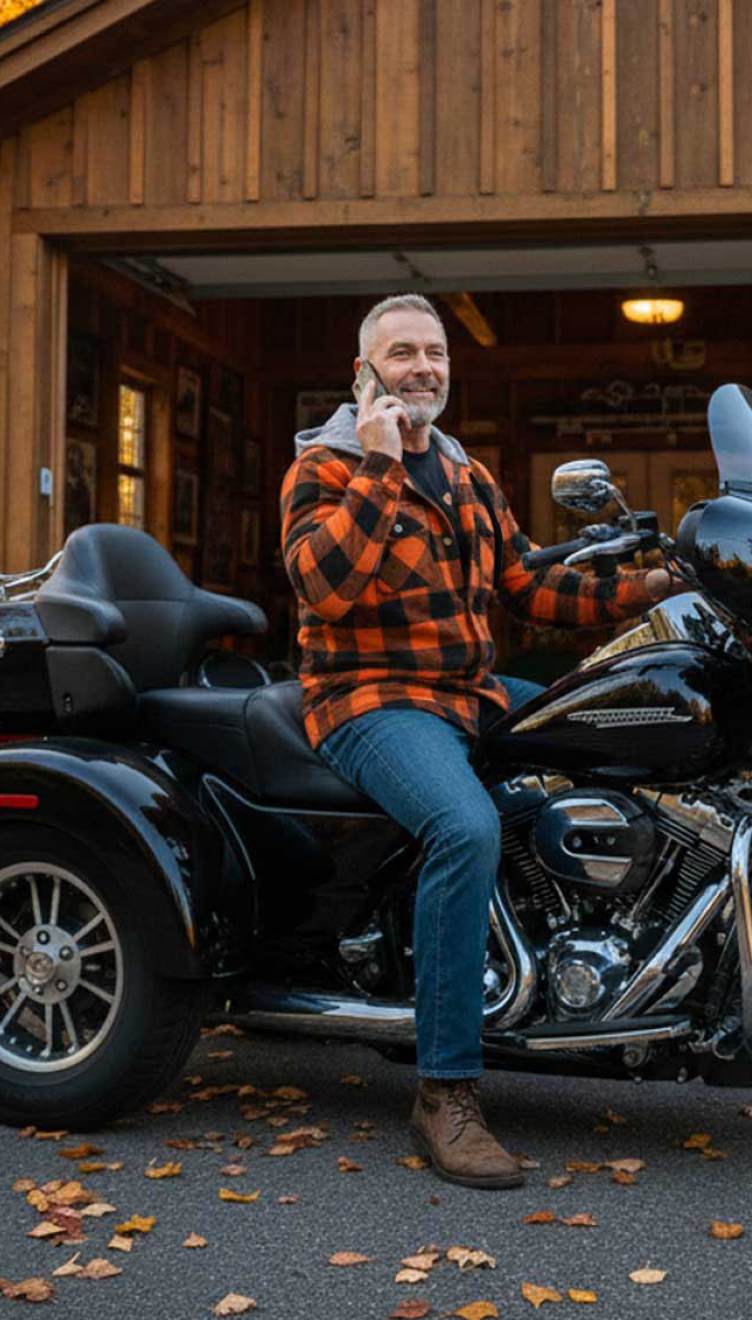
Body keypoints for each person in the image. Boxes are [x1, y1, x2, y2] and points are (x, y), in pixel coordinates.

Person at [279, 293, 678, 1189]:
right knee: (465, 829)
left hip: (470, 692)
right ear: (364, 373)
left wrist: (654, 586)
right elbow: (324, 589)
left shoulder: (465, 472)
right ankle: (444, 1091)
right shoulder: (325, 468)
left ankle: (635, 986)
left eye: (435, 354)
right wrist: (380, 470)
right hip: (369, 701)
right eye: (403, 353)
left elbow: (527, 585)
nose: (423, 367)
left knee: (633, 726)